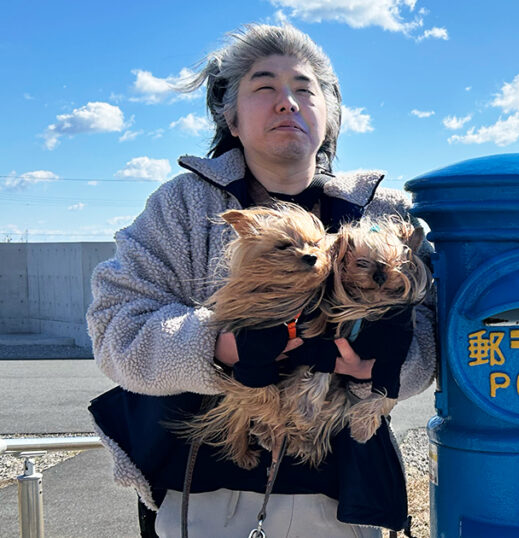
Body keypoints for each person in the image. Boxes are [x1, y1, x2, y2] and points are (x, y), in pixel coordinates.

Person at [86, 24, 435, 537]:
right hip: (203, 486)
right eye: (264, 86)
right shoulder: (182, 207)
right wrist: (219, 344)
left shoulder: (380, 211)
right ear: (229, 114)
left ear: (330, 113)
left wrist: (384, 367)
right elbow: (116, 328)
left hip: (343, 493)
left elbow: (431, 325)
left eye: (304, 88)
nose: (287, 102)